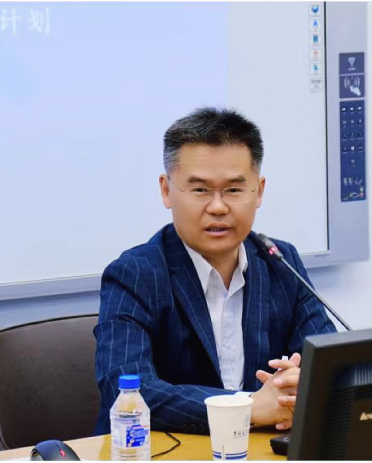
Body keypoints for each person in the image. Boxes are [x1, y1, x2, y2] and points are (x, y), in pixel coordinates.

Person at [94, 107, 336, 435]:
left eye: (234, 190)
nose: (218, 206)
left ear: (259, 191)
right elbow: (126, 392)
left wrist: (301, 392)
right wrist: (248, 407)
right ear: (166, 190)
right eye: (200, 190)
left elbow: (331, 367)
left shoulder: (281, 262)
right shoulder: (135, 274)